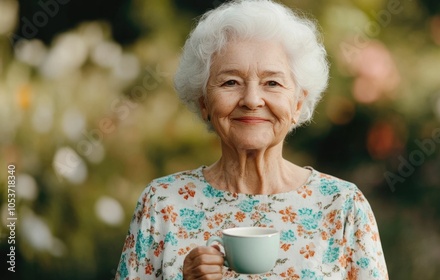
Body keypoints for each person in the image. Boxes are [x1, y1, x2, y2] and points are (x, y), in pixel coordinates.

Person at [115, 0, 388, 279]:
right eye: (230, 82)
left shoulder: (342, 206)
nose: (252, 100)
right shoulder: (162, 203)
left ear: (297, 104)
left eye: (272, 83)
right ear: (204, 103)